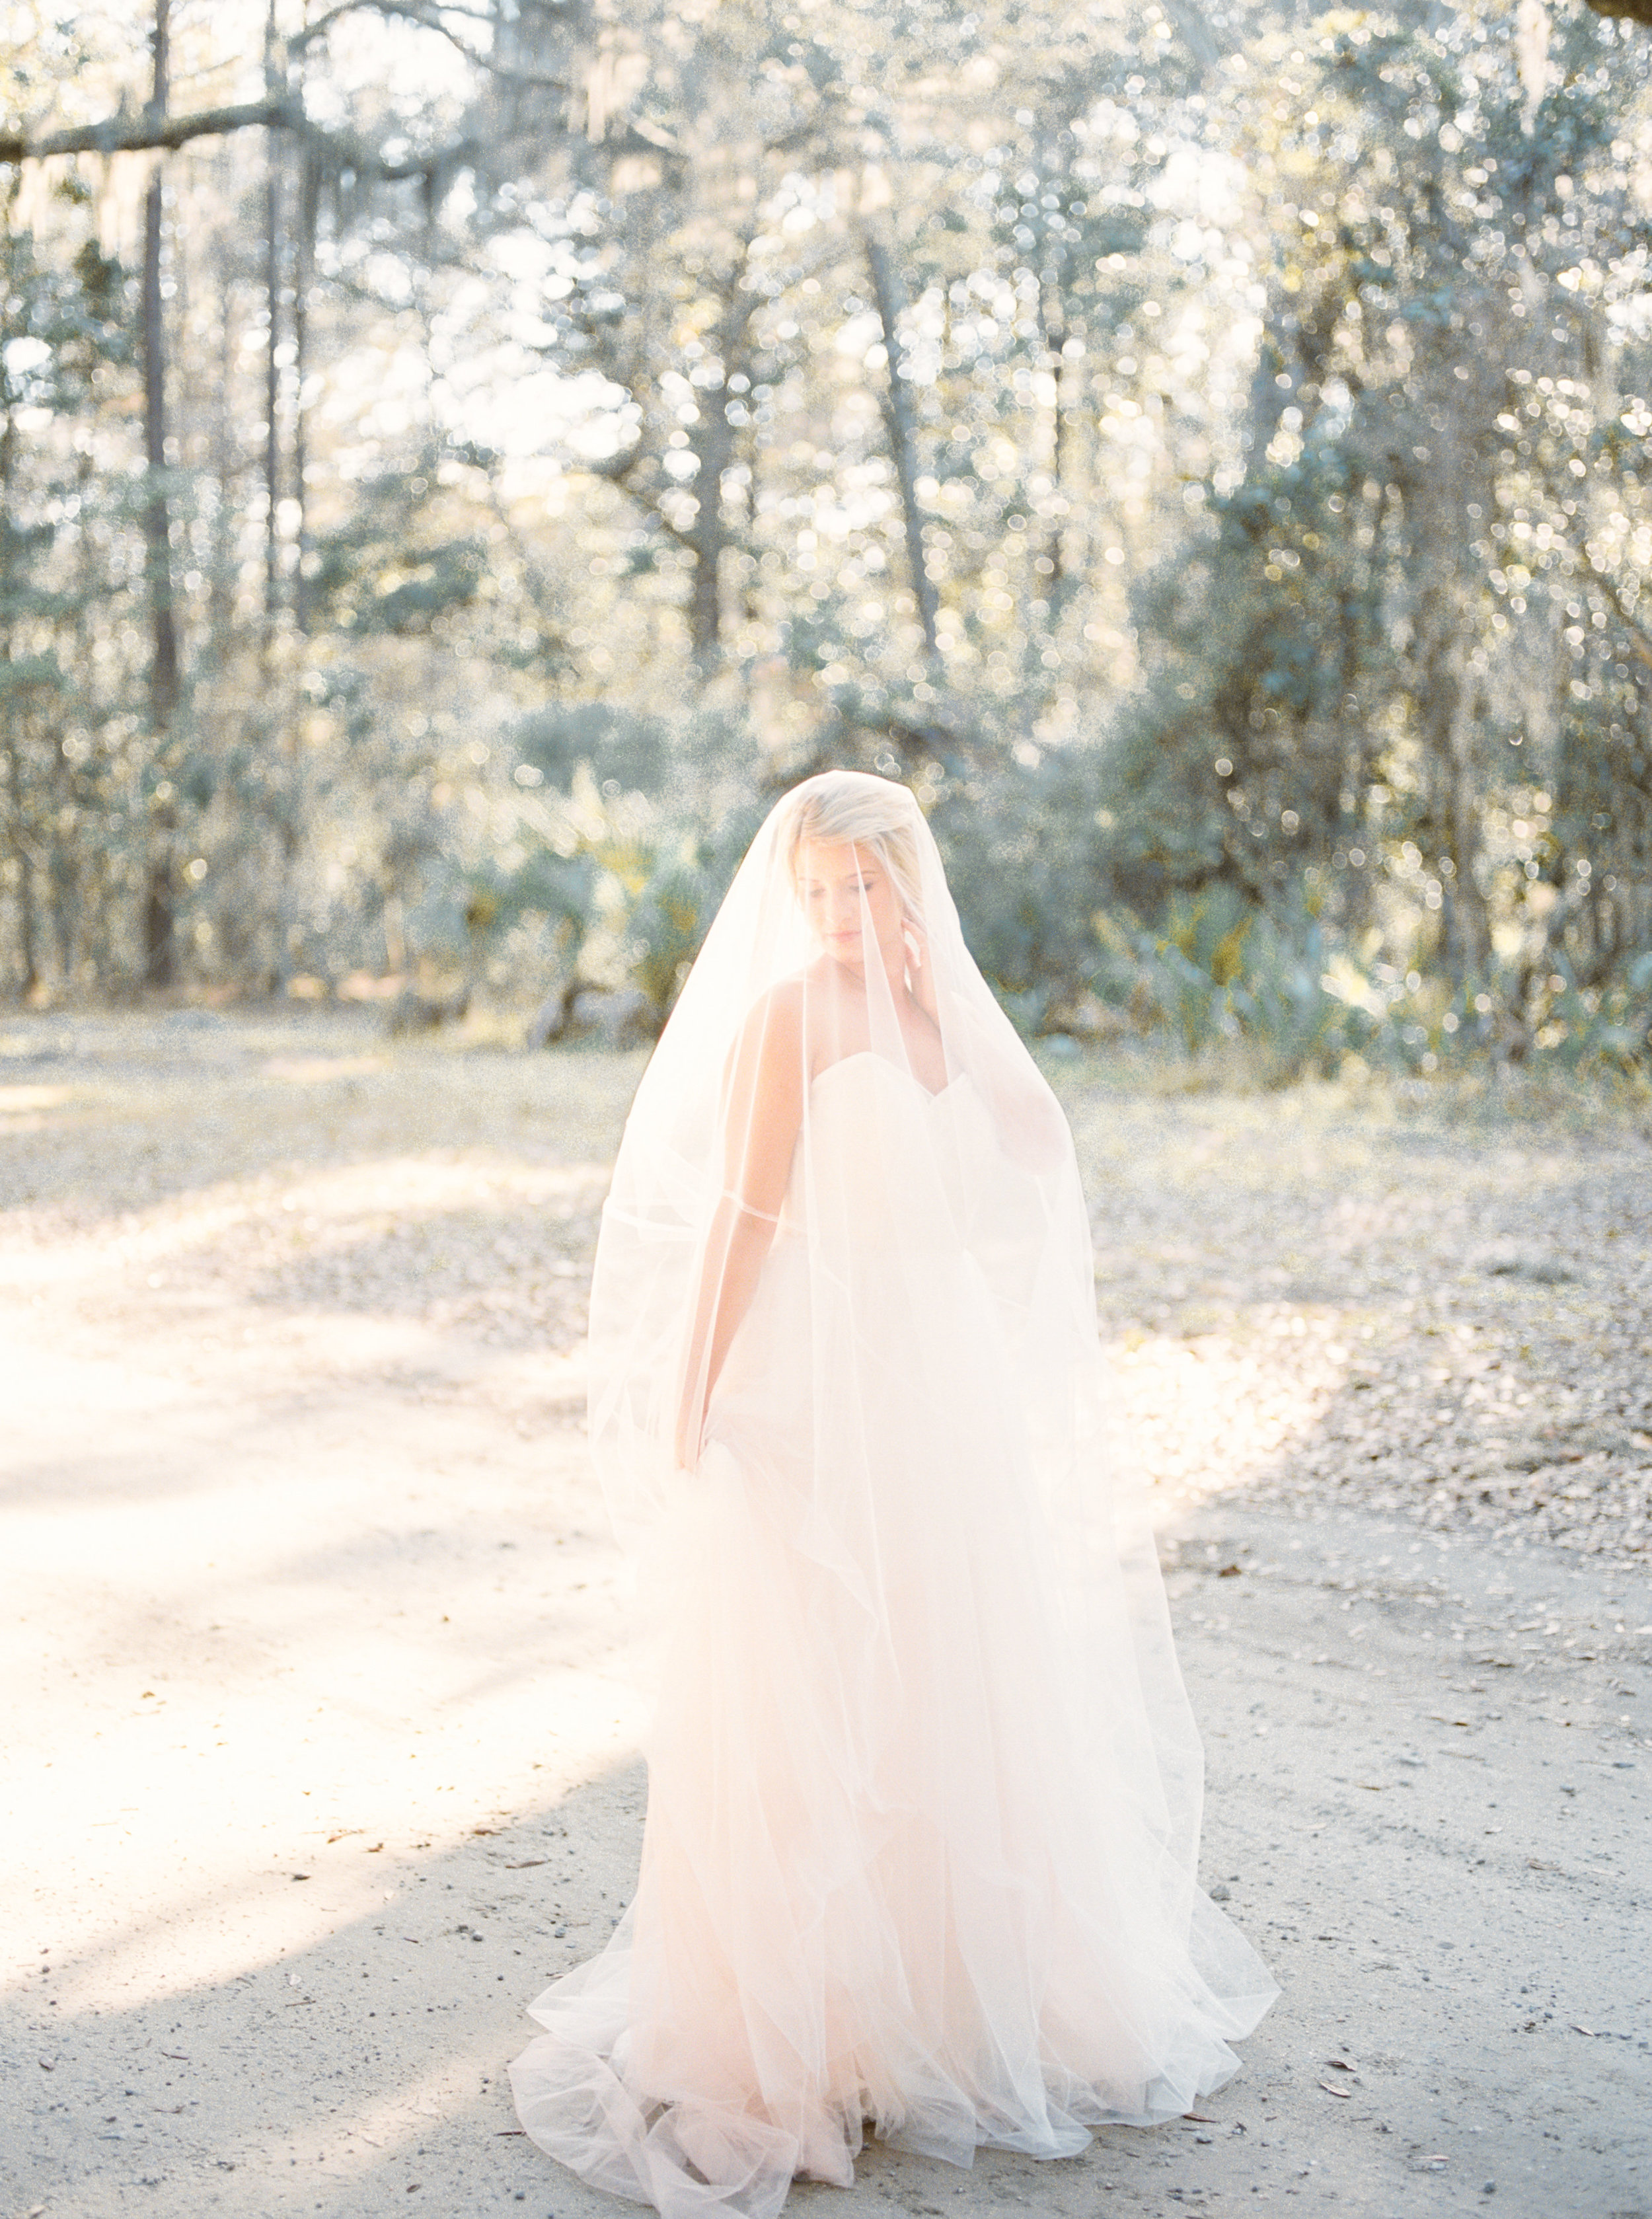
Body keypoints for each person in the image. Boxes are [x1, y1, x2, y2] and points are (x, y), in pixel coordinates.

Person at [508, 771, 1275, 2218]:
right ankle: (805, 2028)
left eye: (866, 888)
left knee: (953, 1674)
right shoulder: (784, 1013)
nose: (843, 915)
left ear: (910, 888)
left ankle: (953, 2004)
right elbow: (741, 1212)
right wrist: (692, 1384)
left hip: (935, 1390)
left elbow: (1037, 1153)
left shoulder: (941, 1016)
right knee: (808, 1683)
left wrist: (957, 1021)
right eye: (819, 893)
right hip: (810, 1376)